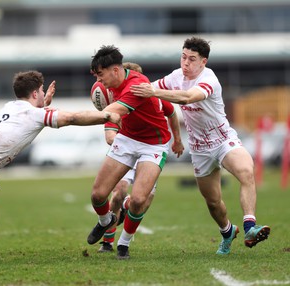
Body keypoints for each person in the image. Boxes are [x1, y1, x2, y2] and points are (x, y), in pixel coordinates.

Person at [0, 70, 121, 263]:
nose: (44, 93)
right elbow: (71, 118)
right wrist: (106, 116)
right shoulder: (33, 114)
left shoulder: (11, 106)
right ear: (35, 93)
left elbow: (33, 115)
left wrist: (44, 104)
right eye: (42, 91)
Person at [130, 36, 270, 255]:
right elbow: (146, 90)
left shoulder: (209, 79)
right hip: (199, 148)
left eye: (192, 59)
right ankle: (227, 232)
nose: (185, 63)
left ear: (203, 62)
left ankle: (250, 227)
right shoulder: (176, 77)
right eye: (183, 57)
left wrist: (153, 92)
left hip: (223, 139)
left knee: (246, 171)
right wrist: (119, 91)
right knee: (213, 202)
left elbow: (186, 98)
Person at [86, 45, 174, 259]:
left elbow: (116, 110)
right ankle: (106, 221)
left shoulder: (138, 85)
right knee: (98, 195)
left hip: (153, 144)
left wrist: (72, 118)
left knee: (137, 200)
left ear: (115, 70)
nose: (98, 81)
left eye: (100, 74)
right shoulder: (107, 86)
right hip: (126, 140)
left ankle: (123, 244)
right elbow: (110, 119)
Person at [97, 63, 184, 252]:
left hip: (151, 149)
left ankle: (124, 240)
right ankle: (107, 241)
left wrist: (177, 139)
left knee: (142, 199)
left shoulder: (156, 98)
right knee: (118, 191)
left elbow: (172, 115)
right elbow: (110, 134)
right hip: (128, 148)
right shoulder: (120, 100)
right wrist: (117, 140)